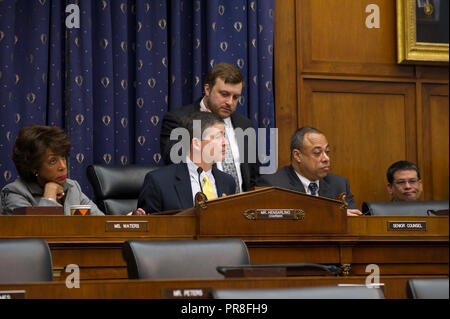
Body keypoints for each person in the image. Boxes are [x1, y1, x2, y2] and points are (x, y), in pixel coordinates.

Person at [160, 62, 258, 193]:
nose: (230, 102)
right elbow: (175, 164)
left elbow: (253, 175)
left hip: (240, 207)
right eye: (224, 94)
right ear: (207, 90)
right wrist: (203, 126)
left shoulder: (245, 125)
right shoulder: (179, 119)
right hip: (198, 203)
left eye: (235, 97)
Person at [138, 111, 236, 214]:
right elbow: (148, 227)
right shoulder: (158, 182)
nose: (226, 142)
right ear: (196, 143)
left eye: (224, 136)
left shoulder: (227, 181)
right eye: (218, 137)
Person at [0, 125, 105, 215]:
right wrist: (50, 194)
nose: (63, 166)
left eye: (63, 157)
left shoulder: (72, 188)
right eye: (53, 161)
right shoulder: (16, 193)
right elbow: (38, 232)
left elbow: (100, 223)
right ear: (34, 167)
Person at [257, 126, 362, 216]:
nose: (326, 158)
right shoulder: (273, 187)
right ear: (297, 155)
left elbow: (355, 221)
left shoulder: (339, 184)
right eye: (317, 153)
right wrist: (333, 216)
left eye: (327, 152)